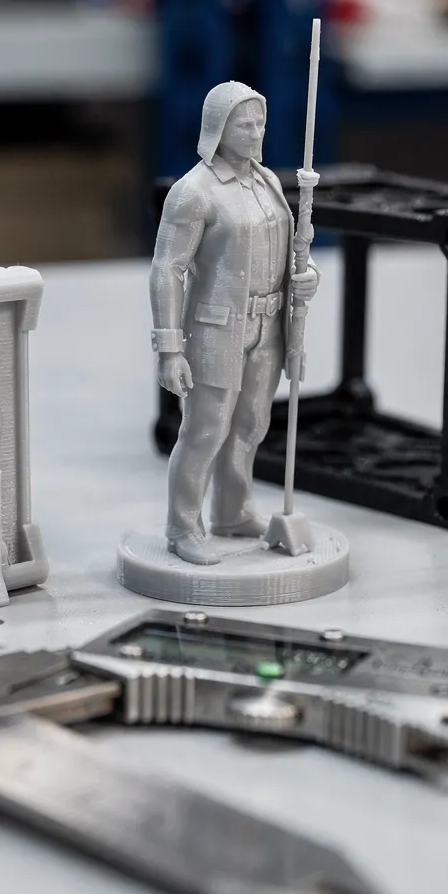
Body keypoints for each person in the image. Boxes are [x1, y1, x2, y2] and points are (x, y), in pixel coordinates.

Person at [149, 81, 319, 565]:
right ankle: (183, 527)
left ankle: (233, 509)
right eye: (244, 124)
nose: (255, 131)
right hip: (216, 329)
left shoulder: (268, 183)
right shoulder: (193, 192)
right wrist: (169, 347)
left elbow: (291, 255)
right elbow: (168, 268)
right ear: (217, 129)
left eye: (259, 122)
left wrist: (307, 278)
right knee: (205, 431)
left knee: (251, 425)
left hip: (269, 327)